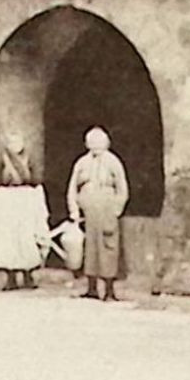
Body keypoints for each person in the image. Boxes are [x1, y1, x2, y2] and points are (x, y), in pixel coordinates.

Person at [65, 126, 129, 301]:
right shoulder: (82, 163)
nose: (96, 146)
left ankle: (109, 289)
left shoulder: (113, 162)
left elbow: (122, 187)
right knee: (90, 248)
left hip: (107, 209)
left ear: (106, 143)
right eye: (92, 143)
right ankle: (91, 287)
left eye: (99, 143)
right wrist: (74, 209)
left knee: (109, 246)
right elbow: (72, 187)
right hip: (88, 210)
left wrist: (117, 208)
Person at [0, 131, 47, 291]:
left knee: (26, 238)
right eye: (11, 142)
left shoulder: (29, 158)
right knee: (8, 239)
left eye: (17, 142)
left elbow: (36, 178)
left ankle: (28, 275)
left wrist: (30, 183)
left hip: (25, 199)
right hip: (6, 200)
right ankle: (10, 277)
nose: (14, 146)